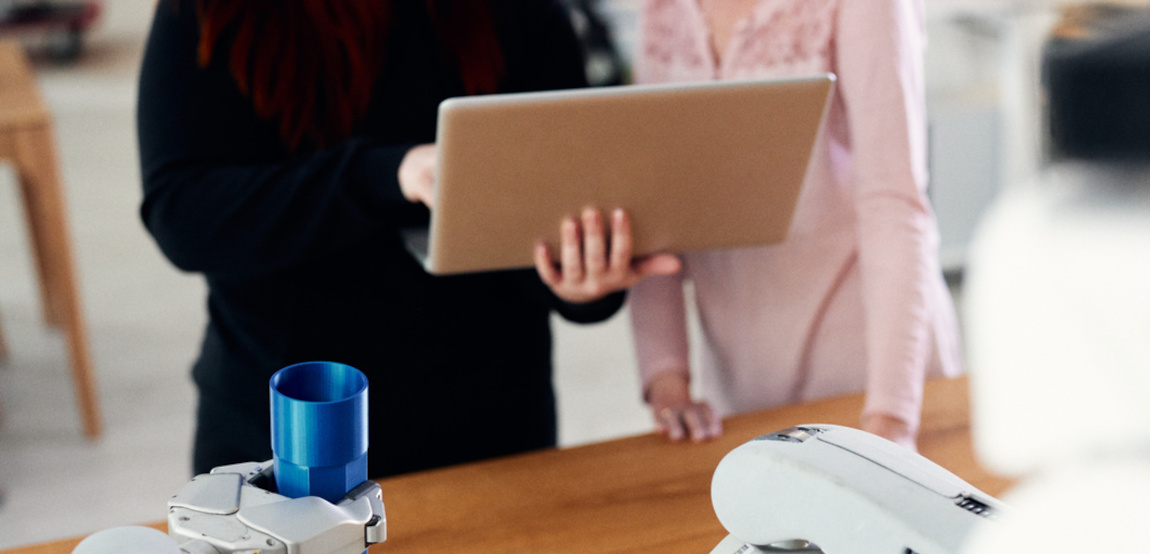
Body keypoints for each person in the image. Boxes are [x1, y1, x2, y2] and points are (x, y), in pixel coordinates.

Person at [137, 0, 677, 478]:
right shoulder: (217, 12)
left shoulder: (523, 13)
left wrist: (582, 282)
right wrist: (389, 175)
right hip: (289, 426)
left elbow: (551, 214)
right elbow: (183, 214)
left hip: (490, 434)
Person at [630, 0, 963, 450]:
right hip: (743, 388)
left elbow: (893, 202)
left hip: (875, 380)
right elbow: (655, 199)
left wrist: (892, 422)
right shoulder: (661, 9)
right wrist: (668, 379)